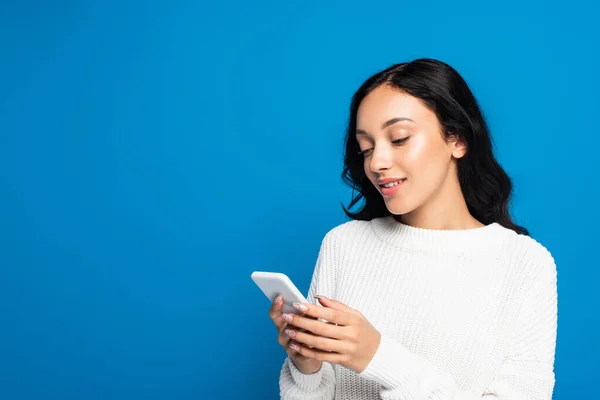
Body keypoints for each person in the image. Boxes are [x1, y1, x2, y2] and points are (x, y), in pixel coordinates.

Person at [268, 58, 558, 400]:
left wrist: (379, 357)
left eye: (400, 138)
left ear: (457, 139)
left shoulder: (524, 264)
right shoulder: (343, 246)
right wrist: (308, 367)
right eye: (366, 148)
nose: (377, 162)